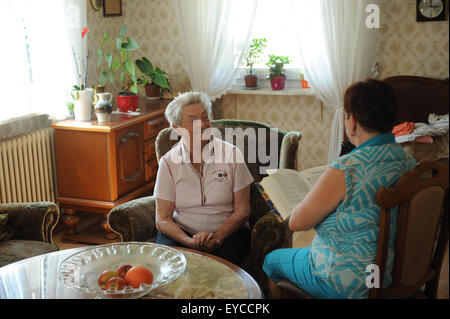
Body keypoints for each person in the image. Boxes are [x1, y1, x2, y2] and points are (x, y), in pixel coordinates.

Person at [263, 79, 417, 299]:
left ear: (352, 121)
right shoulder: (408, 162)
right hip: (392, 272)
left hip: (348, 282)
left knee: (271, 260)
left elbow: (297, 223)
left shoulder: (347, 168)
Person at [153, 91, 254, 265]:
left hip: (228, 234)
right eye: (193, 120)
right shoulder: (168, 163)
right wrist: (189, 242)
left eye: (205, 117)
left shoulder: (231, 154)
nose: (203, 125)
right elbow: (162, 218)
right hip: (182, 234)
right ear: (177, 127)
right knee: (169, 269)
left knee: (215, 272)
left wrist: (217, 237)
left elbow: (243, 211)